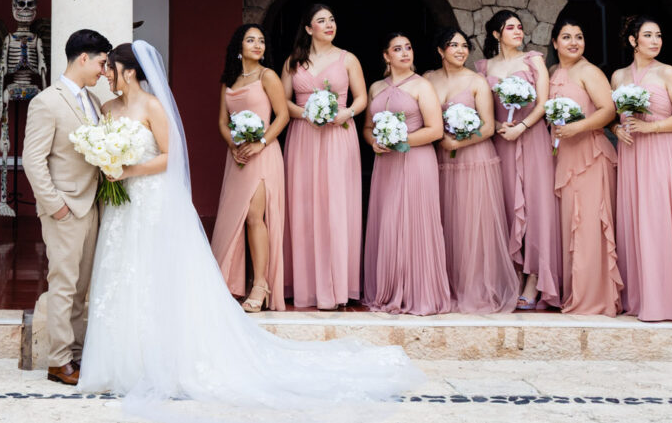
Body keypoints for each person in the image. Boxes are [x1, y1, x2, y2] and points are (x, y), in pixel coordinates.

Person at [79, 41, 420, 418]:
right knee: (121, 274)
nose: (105, 74)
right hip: (122, 207)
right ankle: (121, 361)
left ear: (128, 71)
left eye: (110, 68)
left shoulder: (152, 106)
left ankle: (158, 358)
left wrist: (128, 169)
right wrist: (107, 162)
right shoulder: (107, 109)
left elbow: (169, 156)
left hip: (152, 202)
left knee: (152, 275)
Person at [21, 29, 112, 387]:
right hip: (65, 207)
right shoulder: (47, 101)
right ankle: (58, 361)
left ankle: (74, 352)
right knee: (62, 284)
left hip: (92, 205)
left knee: (81, 287)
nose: (104, 71)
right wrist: (55, 205)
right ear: (83, 58)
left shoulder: (93, 100)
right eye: (101, 63)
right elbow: (33, 159)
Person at [612, 15, 672, 322]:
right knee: (637, 220)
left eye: (659, 35)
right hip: (632, 154)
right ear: (633, 41)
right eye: (648, 35)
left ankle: (669, 300)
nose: (655, 41)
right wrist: (617, 129)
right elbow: (616, 116)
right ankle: (643, 297)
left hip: (662, 150)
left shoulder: (667, 72)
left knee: (660, 219)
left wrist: (650, 128)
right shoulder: (618, 77)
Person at [281, 3, 367, 309]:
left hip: (338, 135)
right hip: (304, 137)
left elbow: (361, 98)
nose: (330, 24)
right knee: (303, 205)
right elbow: (282, 102)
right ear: (308, 28)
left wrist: (346, 112)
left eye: (332, 19)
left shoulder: (348, 59)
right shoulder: (293, 62)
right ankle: (305, 286)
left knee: (336, 206)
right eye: (322, 20)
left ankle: (337, 287)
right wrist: (307, 113)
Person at [363, 32, 455, 315]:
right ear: (386, 56)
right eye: (398, 49)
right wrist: (374, 142)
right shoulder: (376, 87)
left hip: (417, 161)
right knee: (389, 221)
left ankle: (419, 292)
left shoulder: (421, 86)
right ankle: (389, 289)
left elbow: (435, 130)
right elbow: (367, 127)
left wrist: (399, 141)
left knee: (415, 222)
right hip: (386, 164)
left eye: (409, 47)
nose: (405, 53)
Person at [427, 27, 516, 314]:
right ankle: (447, 286)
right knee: (447, 222)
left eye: (464, 45)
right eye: (453, 45)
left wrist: (458, 142)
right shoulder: (428, 80)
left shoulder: (477, 81)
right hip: (442, 159)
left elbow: (488, 127)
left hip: (474, 159)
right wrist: (441, 138)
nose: (460, 50)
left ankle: (475, 287)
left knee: (471, 225)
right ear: (440, 50)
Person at [478, 9, 561, 310]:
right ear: (496, 34)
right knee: (506, 204)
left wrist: (522, 126)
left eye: (520, 27)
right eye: (510, 27)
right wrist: (500, 126)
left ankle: (535, 277)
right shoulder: (484, 67)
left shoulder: (533, 60)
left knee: (536, 206)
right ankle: (511, 271)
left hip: (532, 137)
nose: (518, 32)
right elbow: (483, 106)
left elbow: (543, 103)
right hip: (501, 140)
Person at [208, 23, 288, 311]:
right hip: (238, 157)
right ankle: (227, 283)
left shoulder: (268, 76)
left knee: (255, 216)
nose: (257, 45)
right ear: (239, 47)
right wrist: (233, 146)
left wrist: (261, 143)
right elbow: (222, 121)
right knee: (234, 218)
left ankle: (260, 285)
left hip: (263, 154)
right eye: (251, 40)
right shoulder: (229, 81)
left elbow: (282, 116)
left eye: (261, 41)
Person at [549, 16, 622, 316]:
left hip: (590, 154)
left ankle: (595, 296)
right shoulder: (553, 73)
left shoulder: (589, 71)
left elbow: (608, 111)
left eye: (579, 37)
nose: (574, 42)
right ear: (555, 42)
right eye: (567, 37)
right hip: (564, 156)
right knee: (570, 225)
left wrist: (577, 128)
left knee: (590, 224)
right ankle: (574, 291)